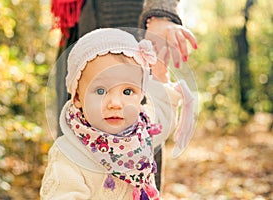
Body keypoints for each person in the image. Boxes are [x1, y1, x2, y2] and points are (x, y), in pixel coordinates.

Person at [52, 0, 198, 190]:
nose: (115, 103)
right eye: (102, 92)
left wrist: (161, 13)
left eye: (127, 92)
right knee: (74, 149)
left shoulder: (143, 132)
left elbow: (159, 119)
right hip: (79, 28)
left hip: (128, 17)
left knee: (133, 124)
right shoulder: (67, 152)